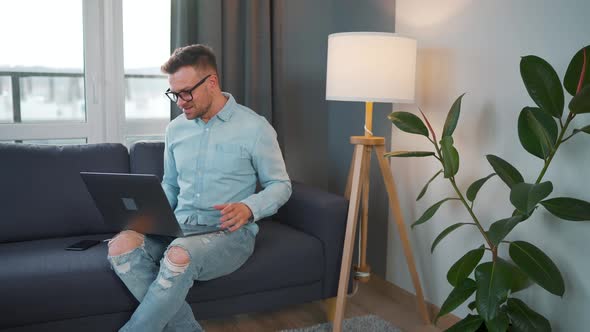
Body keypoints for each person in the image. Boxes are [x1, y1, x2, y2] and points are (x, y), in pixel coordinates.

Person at [106, 44, 292, 332]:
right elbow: (169, 185)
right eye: (174, 94)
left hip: (228, 233)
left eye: (186, 92)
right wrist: (144, 219)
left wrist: (249, 207)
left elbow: (280, 185)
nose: (180, 101)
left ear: (212, 82)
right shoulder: (175, 130)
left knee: (178, 254)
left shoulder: (255, 128)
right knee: (120, 246)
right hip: (177, 226)